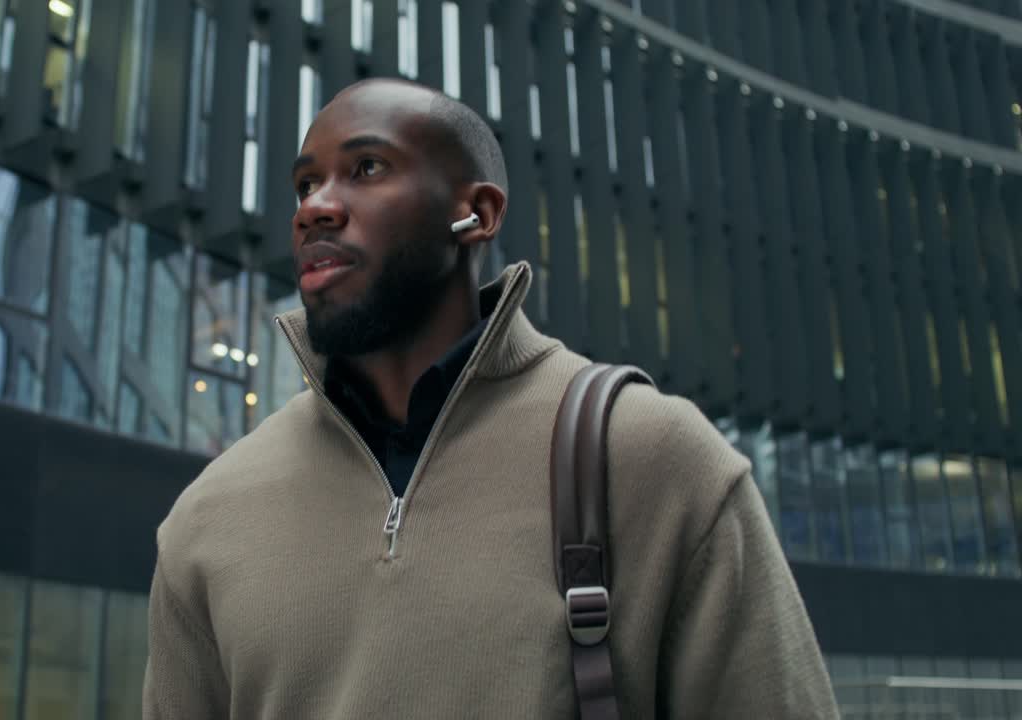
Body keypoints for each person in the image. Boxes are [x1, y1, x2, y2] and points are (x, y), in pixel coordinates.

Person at [143, 78, 838, 719]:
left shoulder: (653, 457)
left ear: (475, 214)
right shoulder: (209, 518)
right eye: (304, 185)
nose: (316, 208)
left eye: (367, 168)